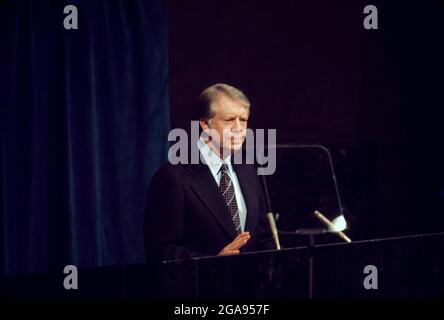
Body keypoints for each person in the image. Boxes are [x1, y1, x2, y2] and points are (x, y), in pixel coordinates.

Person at [144, 83, 274, 261]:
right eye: (229, 120)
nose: (238, 128)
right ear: (205, 124)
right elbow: (160, 251)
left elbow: (263, 238)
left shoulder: (248, 170)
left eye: (243, 120)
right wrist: (213, 262)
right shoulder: (173, 177)